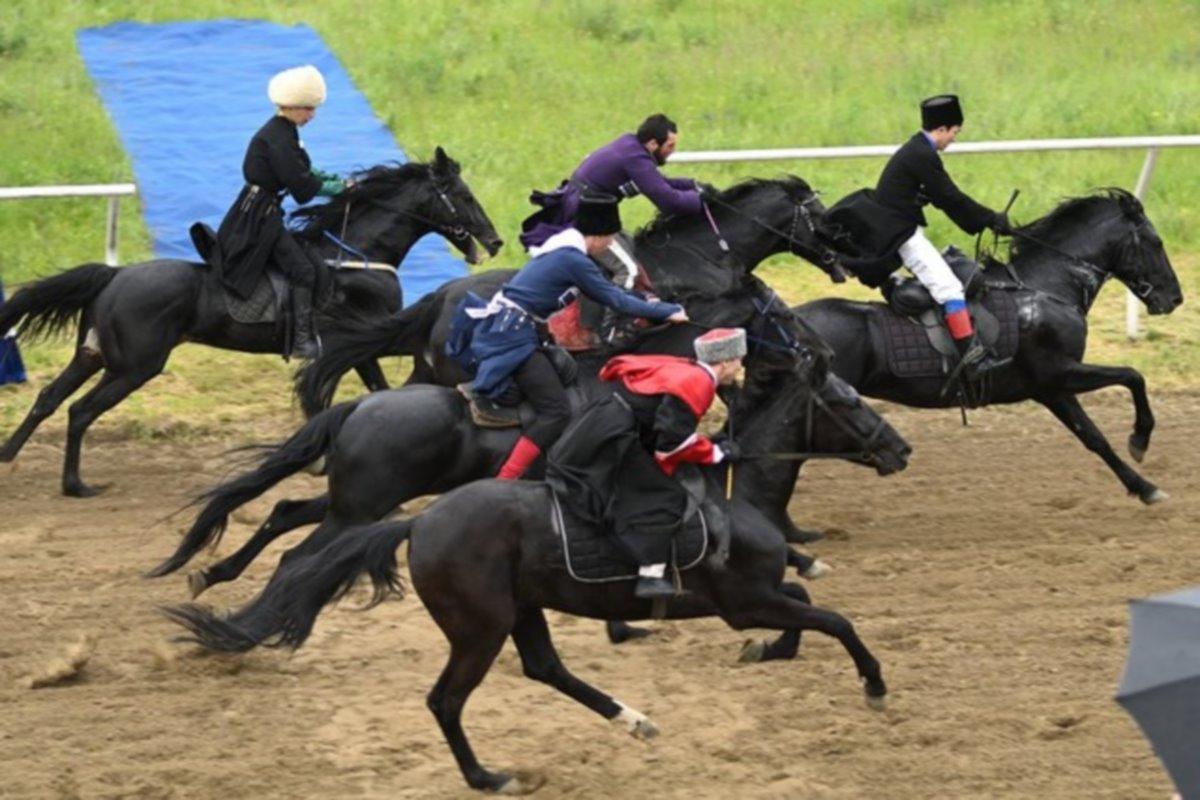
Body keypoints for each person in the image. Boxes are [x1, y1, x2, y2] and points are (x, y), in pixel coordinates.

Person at [447, 193, 689, 481]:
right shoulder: (574, 261)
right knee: (556, 412)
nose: (610, 244)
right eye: (609, 238)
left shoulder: (564, 252)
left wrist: (648, 302)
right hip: (513, 337)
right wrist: (667, 311)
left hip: (512, 328)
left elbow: (607, 292)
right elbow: (616, 300)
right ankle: (507, 477)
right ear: (597, 236)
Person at [546, 328, 747, 600]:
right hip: (612, 435)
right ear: (724, 362)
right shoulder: (698, 382)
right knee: (665, 496)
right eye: (738, 359)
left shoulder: (687, 368)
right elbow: (670, 446)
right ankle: (650, 574)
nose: (741, 366)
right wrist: (716, 453)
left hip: (604, 420)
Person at [825, 94, 1013, 379]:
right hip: (900, 233)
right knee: (950, 289)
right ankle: (972, 360)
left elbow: (928, 194)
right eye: (954, 133)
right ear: (941, 129)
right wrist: (991, 219)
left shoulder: (915, 149)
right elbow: (950, 197)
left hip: (897, 227)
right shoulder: (923, 155)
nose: (954, 139)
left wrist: (921, 197)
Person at [212, 65, 347, 358]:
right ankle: (300, 342)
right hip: (260, 218)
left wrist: (337, 180)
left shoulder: (284, 131)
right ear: (292, 106)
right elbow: (302, 185)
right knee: (303, 270)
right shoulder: (279, 138)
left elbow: (305, 169)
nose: (312, 115)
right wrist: (339, 189)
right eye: (308, 109)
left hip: (261, 210)